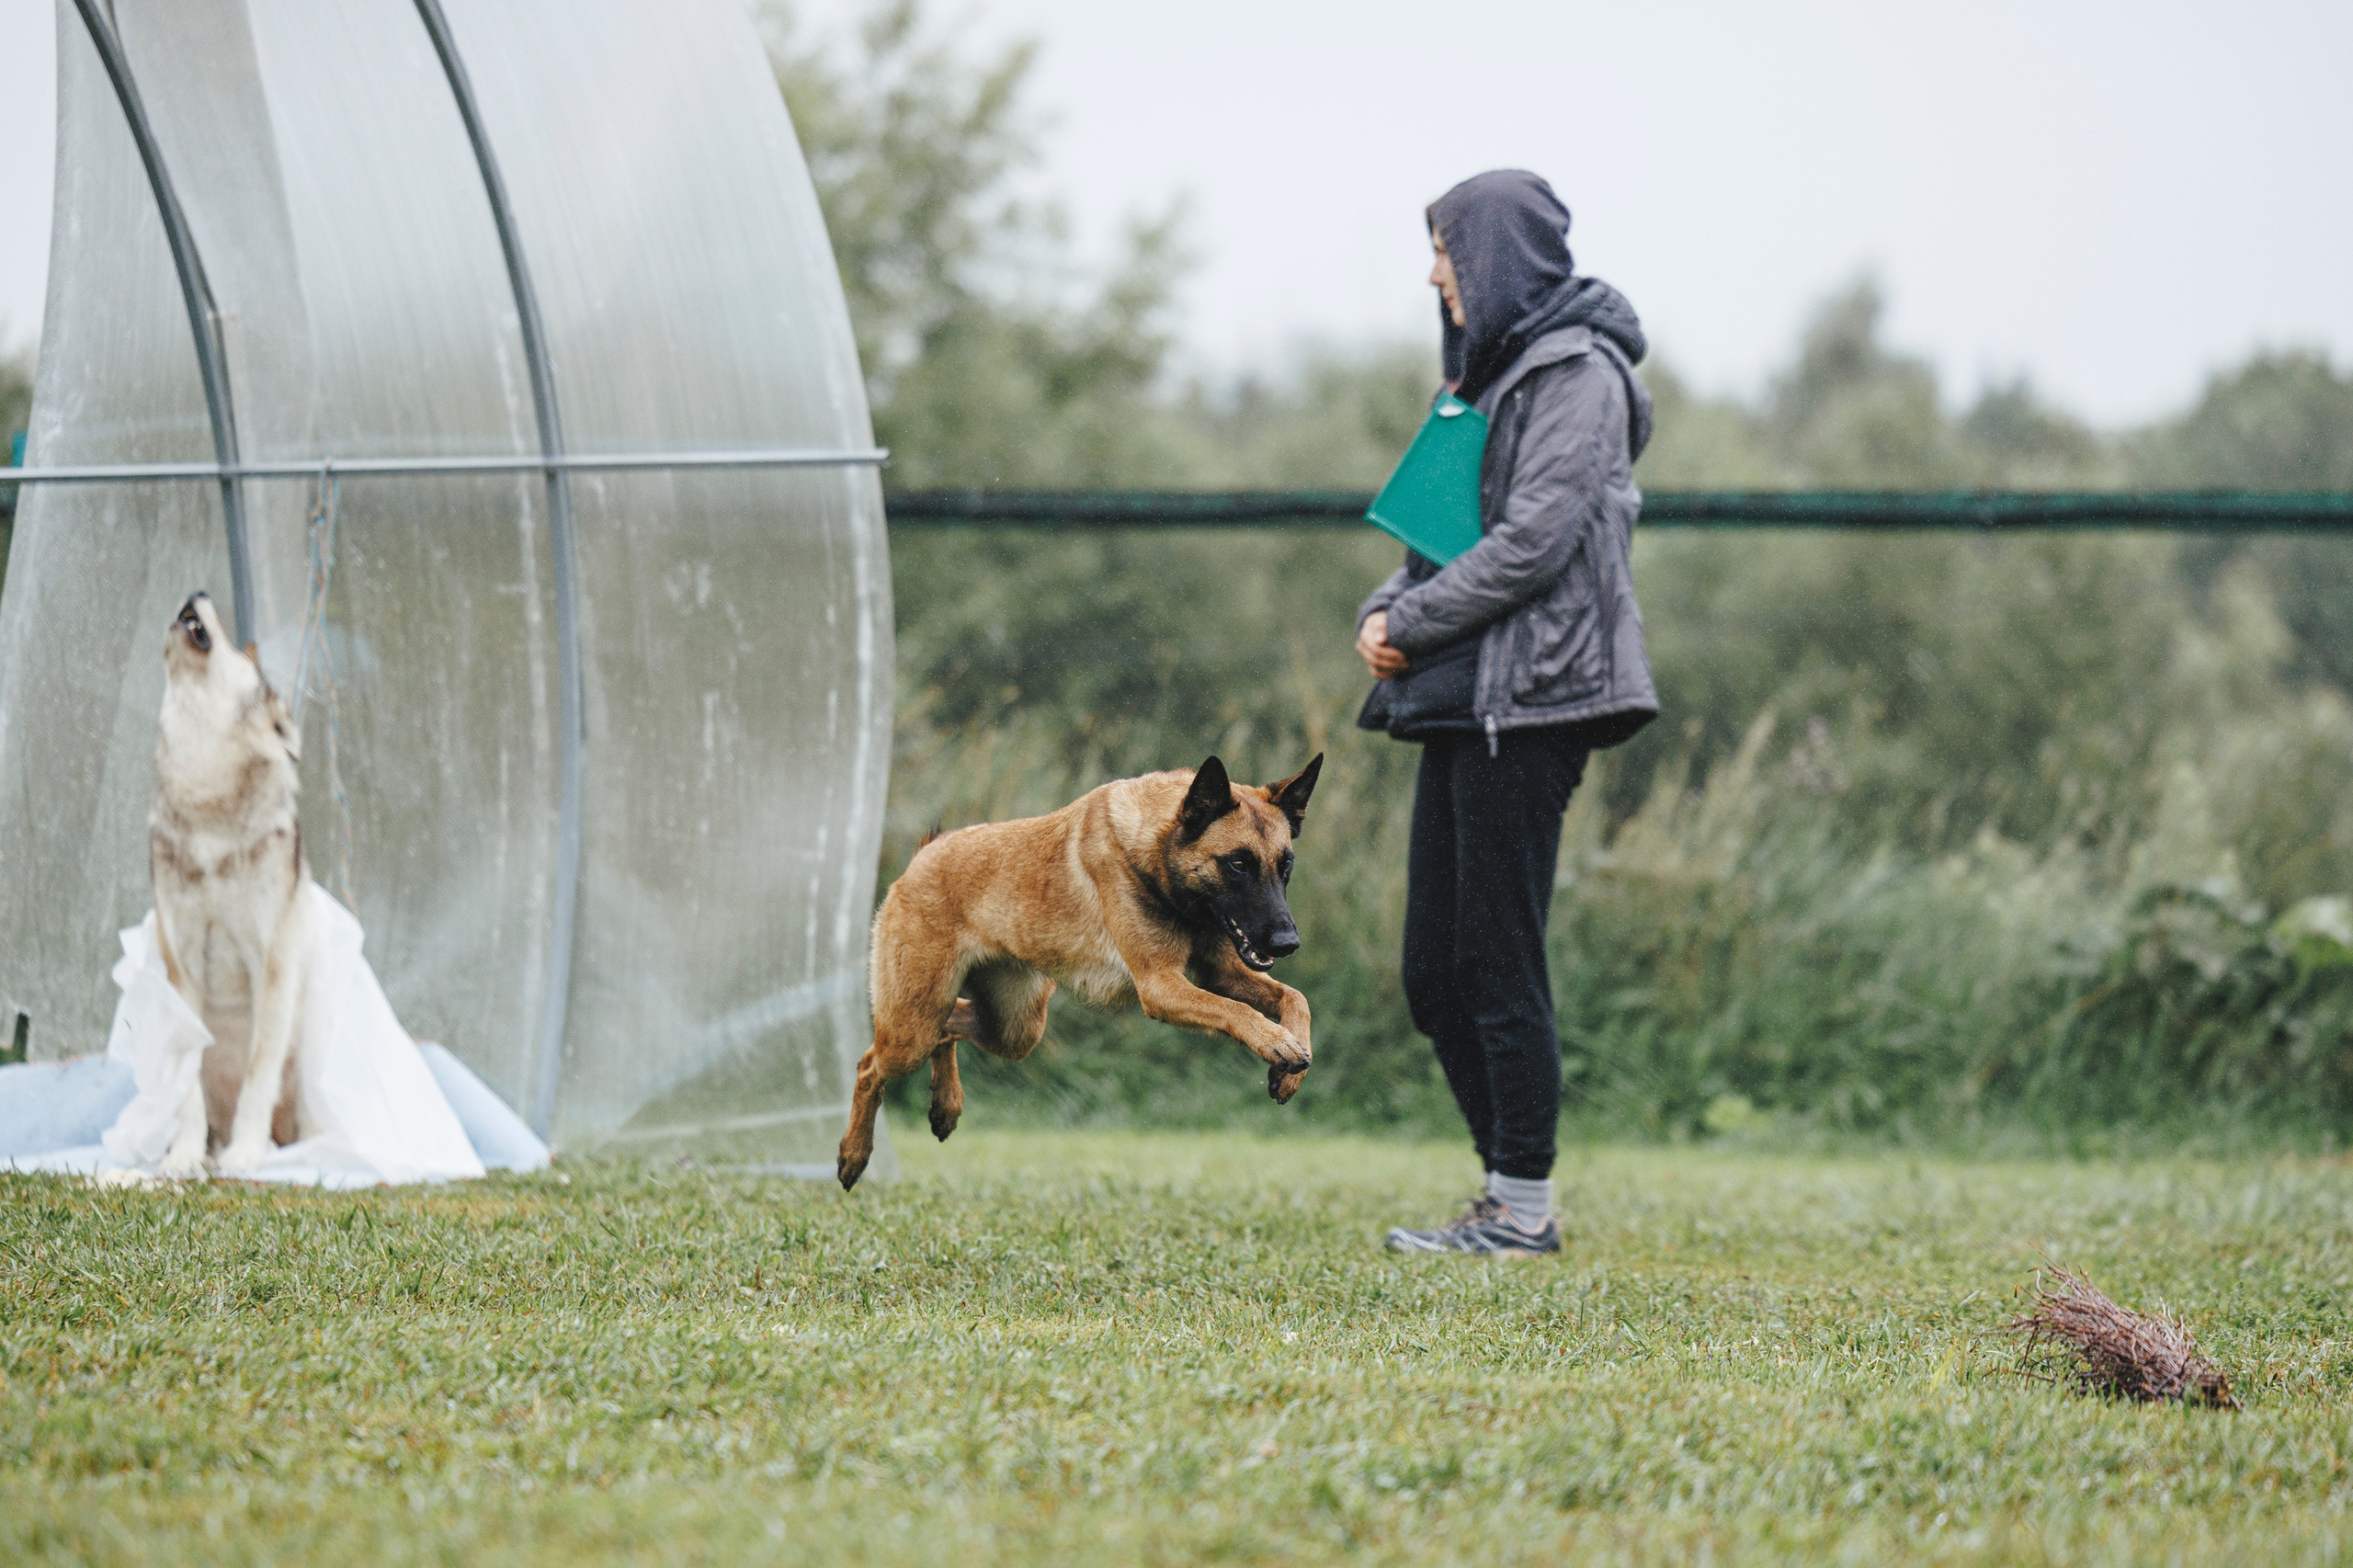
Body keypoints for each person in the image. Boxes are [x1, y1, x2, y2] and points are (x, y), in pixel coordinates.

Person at [1355, 169, 1656, 1257]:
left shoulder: (1578, 376)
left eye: (1444, 248)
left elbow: (1533, 541)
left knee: (1496, 954)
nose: (1434, 271)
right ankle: (1506, 1193)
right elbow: (1432, 533)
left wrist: (1415, 619)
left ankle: (1521, 1209)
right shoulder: (1480, 378)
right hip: (1459, 695)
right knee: (1434, 968)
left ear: (1491, 254)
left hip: (1533, 703)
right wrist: (1387, 607)